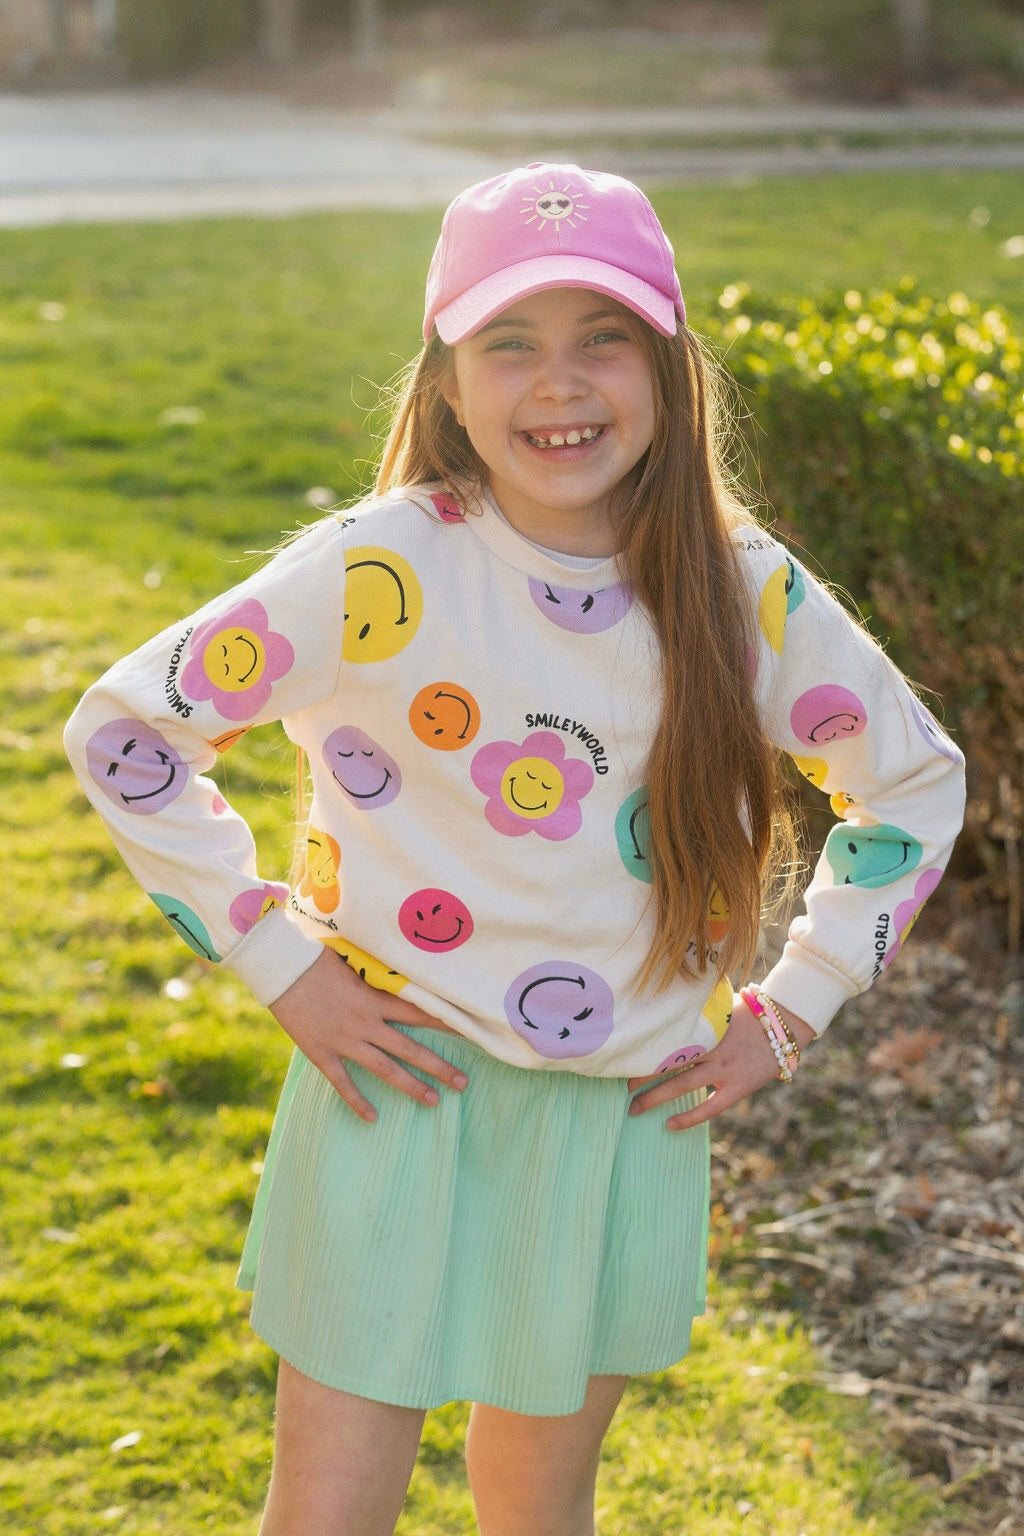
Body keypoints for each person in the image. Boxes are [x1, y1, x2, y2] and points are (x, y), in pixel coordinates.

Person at [64, 162, 966, 1536]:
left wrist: (791, 1014)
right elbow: (128, 735)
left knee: (539, 1506)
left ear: (666, 367)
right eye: (512, 343)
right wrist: (276, 960)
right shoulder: (379, 569)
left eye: (602, 336)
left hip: (619, 1120)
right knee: (327, 1511)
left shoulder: (743, 587)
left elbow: (912, 783)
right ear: (446, 380)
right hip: (397, 1093)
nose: (562, 384)